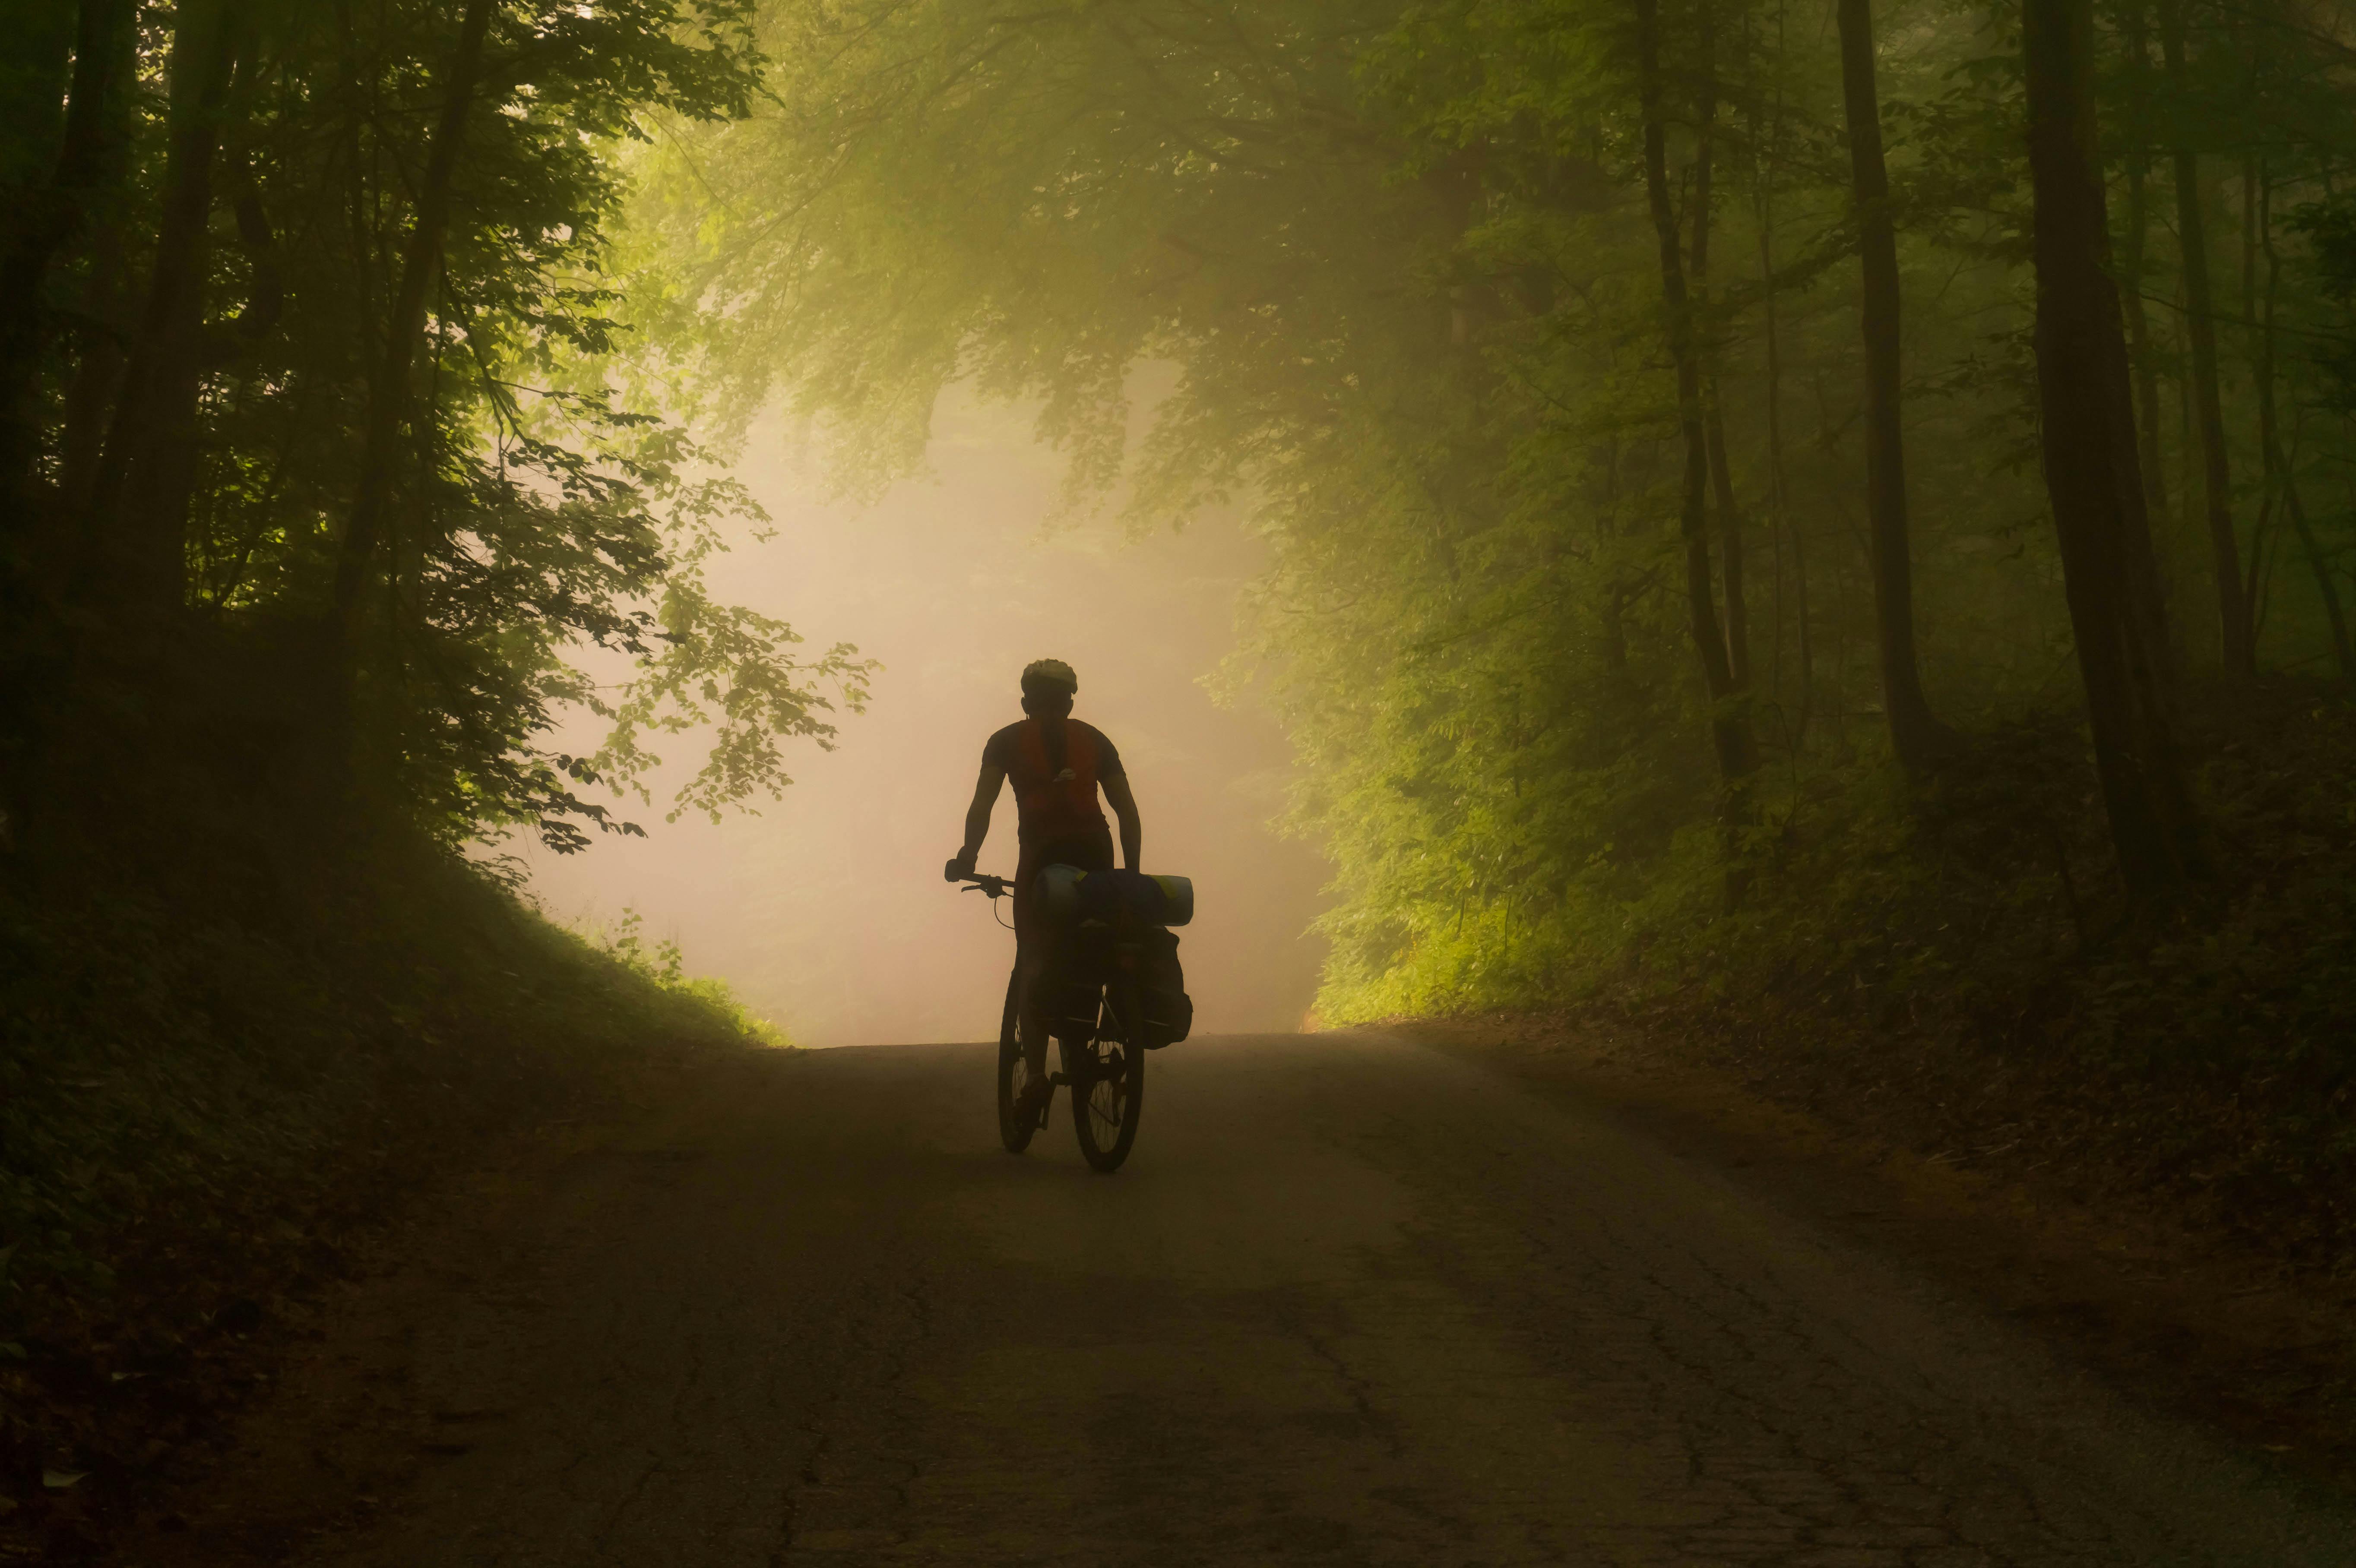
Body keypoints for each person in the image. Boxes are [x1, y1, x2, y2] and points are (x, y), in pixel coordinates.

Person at [947, 659, 1142, 1125]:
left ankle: (1035, 1077)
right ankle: (1098, 1033)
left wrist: (967, 857)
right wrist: (1130, 875)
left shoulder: (1004, 741)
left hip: (1041, 857)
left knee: (1033, 959)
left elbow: (982, 805)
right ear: (1071, 702)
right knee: (1098, 945)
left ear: (1024, 702)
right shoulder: (1096, 740)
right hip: (1096, 856)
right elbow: (1128, 813)